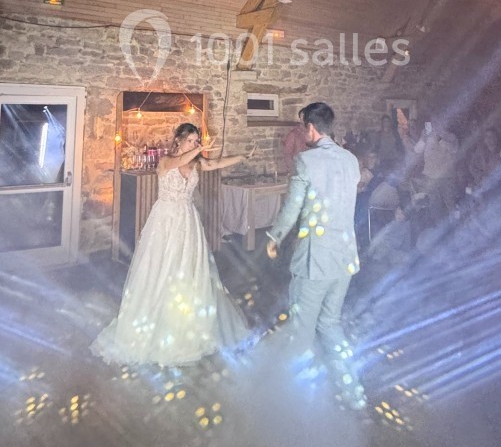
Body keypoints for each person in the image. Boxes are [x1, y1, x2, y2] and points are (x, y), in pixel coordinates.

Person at [92, 123, 254, 367]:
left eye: (197, 141)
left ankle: (188, 321)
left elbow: (214, 164)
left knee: (190, 269)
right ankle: (154, 321)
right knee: (160, 267)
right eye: (191, 140)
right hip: (165, 221)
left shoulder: (196, 161)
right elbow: (178, 163)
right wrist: (198, 149)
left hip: (187, 220)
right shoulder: (166, 161)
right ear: (178, 140)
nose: (196, 145)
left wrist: (241, 156)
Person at [266, 102, 364, 405]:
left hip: (315, 260)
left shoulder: (306, 161)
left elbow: (293, 208)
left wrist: (274, 236)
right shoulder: (351, 160)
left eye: (302, 126)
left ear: (310, 127)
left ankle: (297, 404)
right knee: (330, 324)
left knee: (302, 330)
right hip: (344, 256)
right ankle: (353, 392)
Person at [413, 118, 460, 223]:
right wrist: (422, 139)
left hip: (446, 177)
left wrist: (440, 139)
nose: (436, 124)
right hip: (430, 177)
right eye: (434, 122)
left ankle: (454, 230)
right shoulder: (427, 136)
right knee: (434, 205)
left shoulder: (451, 136)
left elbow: (454, 149)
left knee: (450, 203)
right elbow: (417, 150)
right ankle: (437, 230)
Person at [282, 109, 308, 174]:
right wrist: (292, 170)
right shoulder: (293, 134)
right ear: (300, 118)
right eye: (302, 116)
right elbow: (287, 153)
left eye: (306, 116)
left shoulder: (314, 133)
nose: (304, 118)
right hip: (299, 171)